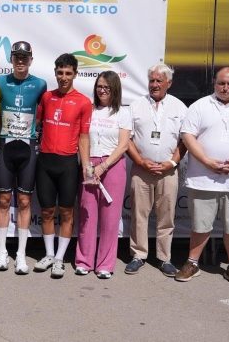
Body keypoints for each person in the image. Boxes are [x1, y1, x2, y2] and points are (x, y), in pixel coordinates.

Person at [176, 67, 229, 287]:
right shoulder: (199, 106)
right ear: (214, 83)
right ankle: (192, 263)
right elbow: (187, 136)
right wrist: (206, 161)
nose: (225, 88)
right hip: (204, 179)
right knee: (200, 225)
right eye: (221, 83)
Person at [125, 63, 187, 276]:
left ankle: (164, 258)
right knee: (139, 216)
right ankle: (138, 255)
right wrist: (141, 161)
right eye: (151, 80)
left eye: (159, 80)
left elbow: (185, 140)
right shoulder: (136, 106)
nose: (154, 84)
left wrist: (172, 162)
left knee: (166, 217)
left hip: (168, 171)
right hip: (141, 170)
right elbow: (127, 139)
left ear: (169, 83)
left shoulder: (179, 107)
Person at [35, 53, 92, 279]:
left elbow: (84, 136)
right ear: (55, 73)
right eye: (60, 73)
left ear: (75, 74)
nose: (64, 77)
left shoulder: (83, 102)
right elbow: (36, 124)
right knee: (47, 211)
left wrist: (86, 164)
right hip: (45, 161)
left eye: (68, 73)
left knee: (67, 212)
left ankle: (60, 258)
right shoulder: (47, 97)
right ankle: (49, 254)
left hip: (68, 163)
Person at [0, 41, 46, 274]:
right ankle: (2, 252)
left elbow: (42, 114)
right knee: (4, 200)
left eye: (25, 57)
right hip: (6, 146)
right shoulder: (0, 81)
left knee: (24, 201)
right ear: (11, 59)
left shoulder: (40, 84)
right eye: (17, 57)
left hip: (28, 148)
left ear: (31, 60)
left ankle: (21, 255)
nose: (20, 61)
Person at [74, 71, 131, 279]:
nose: (102, 90)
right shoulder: (89, 110)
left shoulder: (123, 113)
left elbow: (123, 145)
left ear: (115, 89)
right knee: (87, 215)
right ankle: (84, 261)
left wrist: (103, 166)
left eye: (107, 87)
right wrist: (87, 165)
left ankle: (105, 265)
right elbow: (82, 139)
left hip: (112, 165)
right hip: (89, 164)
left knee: (110, 217)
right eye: (99, 86)